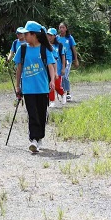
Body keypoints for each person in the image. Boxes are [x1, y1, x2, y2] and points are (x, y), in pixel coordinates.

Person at [14, 21, 56, 153]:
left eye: (27, 34)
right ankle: (33, 140)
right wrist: (17, 86)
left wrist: (53, 81)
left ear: (34, 35)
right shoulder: (23, 49)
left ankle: (39, 138)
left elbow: (51, 65)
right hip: (28, 89)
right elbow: (19, 68)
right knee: (32, 114)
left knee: (41, 114)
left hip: (42, 88)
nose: (24, 36)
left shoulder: (44, 49)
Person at [57, 22, 78, 102]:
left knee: (65, 76)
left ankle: (68, 93)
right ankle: (63, 93)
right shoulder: (57, 38)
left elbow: (73, 49)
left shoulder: (69, 38)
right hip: (59, 60)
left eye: (63, 27)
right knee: (61, 76)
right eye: (60, 27)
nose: (61, 29)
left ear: (66, 28)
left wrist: (76, 60)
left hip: (68, 60)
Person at [47, 28, 66, 107]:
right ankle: (52, 101)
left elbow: (63, 57)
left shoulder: (59, 45)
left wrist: (63, 68)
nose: (49, 37)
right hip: (49, 69)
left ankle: (63, 93)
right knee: (51, 85)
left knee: (57, 86)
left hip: (57, 69)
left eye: (51, 35)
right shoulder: (45, 45)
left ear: (55, 36)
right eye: (48, 35)